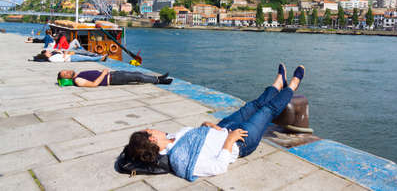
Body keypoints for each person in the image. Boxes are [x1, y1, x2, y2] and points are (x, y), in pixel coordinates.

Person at [123, 64, 305, 181]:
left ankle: (278, 83)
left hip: (223, 127)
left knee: (253, 105)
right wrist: (229, 141)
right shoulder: (179, 158)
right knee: (267, 110)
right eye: (150, 130)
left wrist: (205, 126)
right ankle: (293, 85)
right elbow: (218, 167)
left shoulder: (172, 137)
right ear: (152, 139)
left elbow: (198, 139)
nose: (155, 128)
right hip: (239, 142)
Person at [57, 69, 173, 87]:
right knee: (137, 77)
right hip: (111, 79)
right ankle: (160, 81)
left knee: (137, 74)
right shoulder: (77, 80)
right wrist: (103, 73)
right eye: (65, 74)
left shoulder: (79, 74)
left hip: (112, 75)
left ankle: (157, 77)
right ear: (66, 78)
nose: (67, 72)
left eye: (66, 71)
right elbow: (94, 84)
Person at [41, 50, 107, 62]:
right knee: (87, 58)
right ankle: (101, 57)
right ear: (45, 55)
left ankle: (101, 58)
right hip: (70, 58)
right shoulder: (52, 59)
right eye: (47, 53)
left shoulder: (52, 57)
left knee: (86, 57)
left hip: (70, 57)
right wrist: (64, 54)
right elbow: (63, 60)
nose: (48, 52)